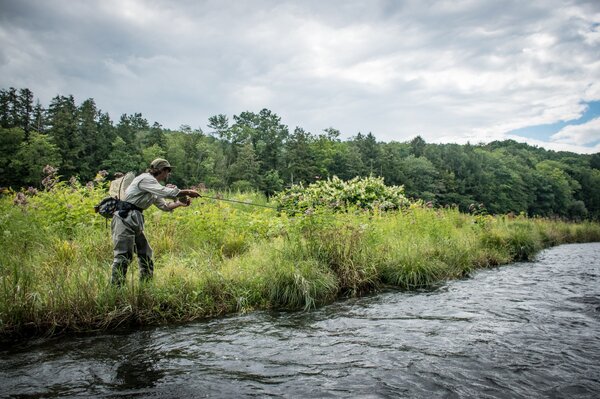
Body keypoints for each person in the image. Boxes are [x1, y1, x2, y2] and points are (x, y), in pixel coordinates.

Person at [110, 158, 200, 286]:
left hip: (134, 220)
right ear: (162, 170)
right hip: (124, 218)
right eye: (167, 171)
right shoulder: (146, 179)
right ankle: (116, 288)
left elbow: (165, 206)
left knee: (145, 253)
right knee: (123, 256)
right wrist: (187, 192)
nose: (168, 175)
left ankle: (146, 285)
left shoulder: (153, 187)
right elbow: (165, 191)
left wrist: (180, 203)